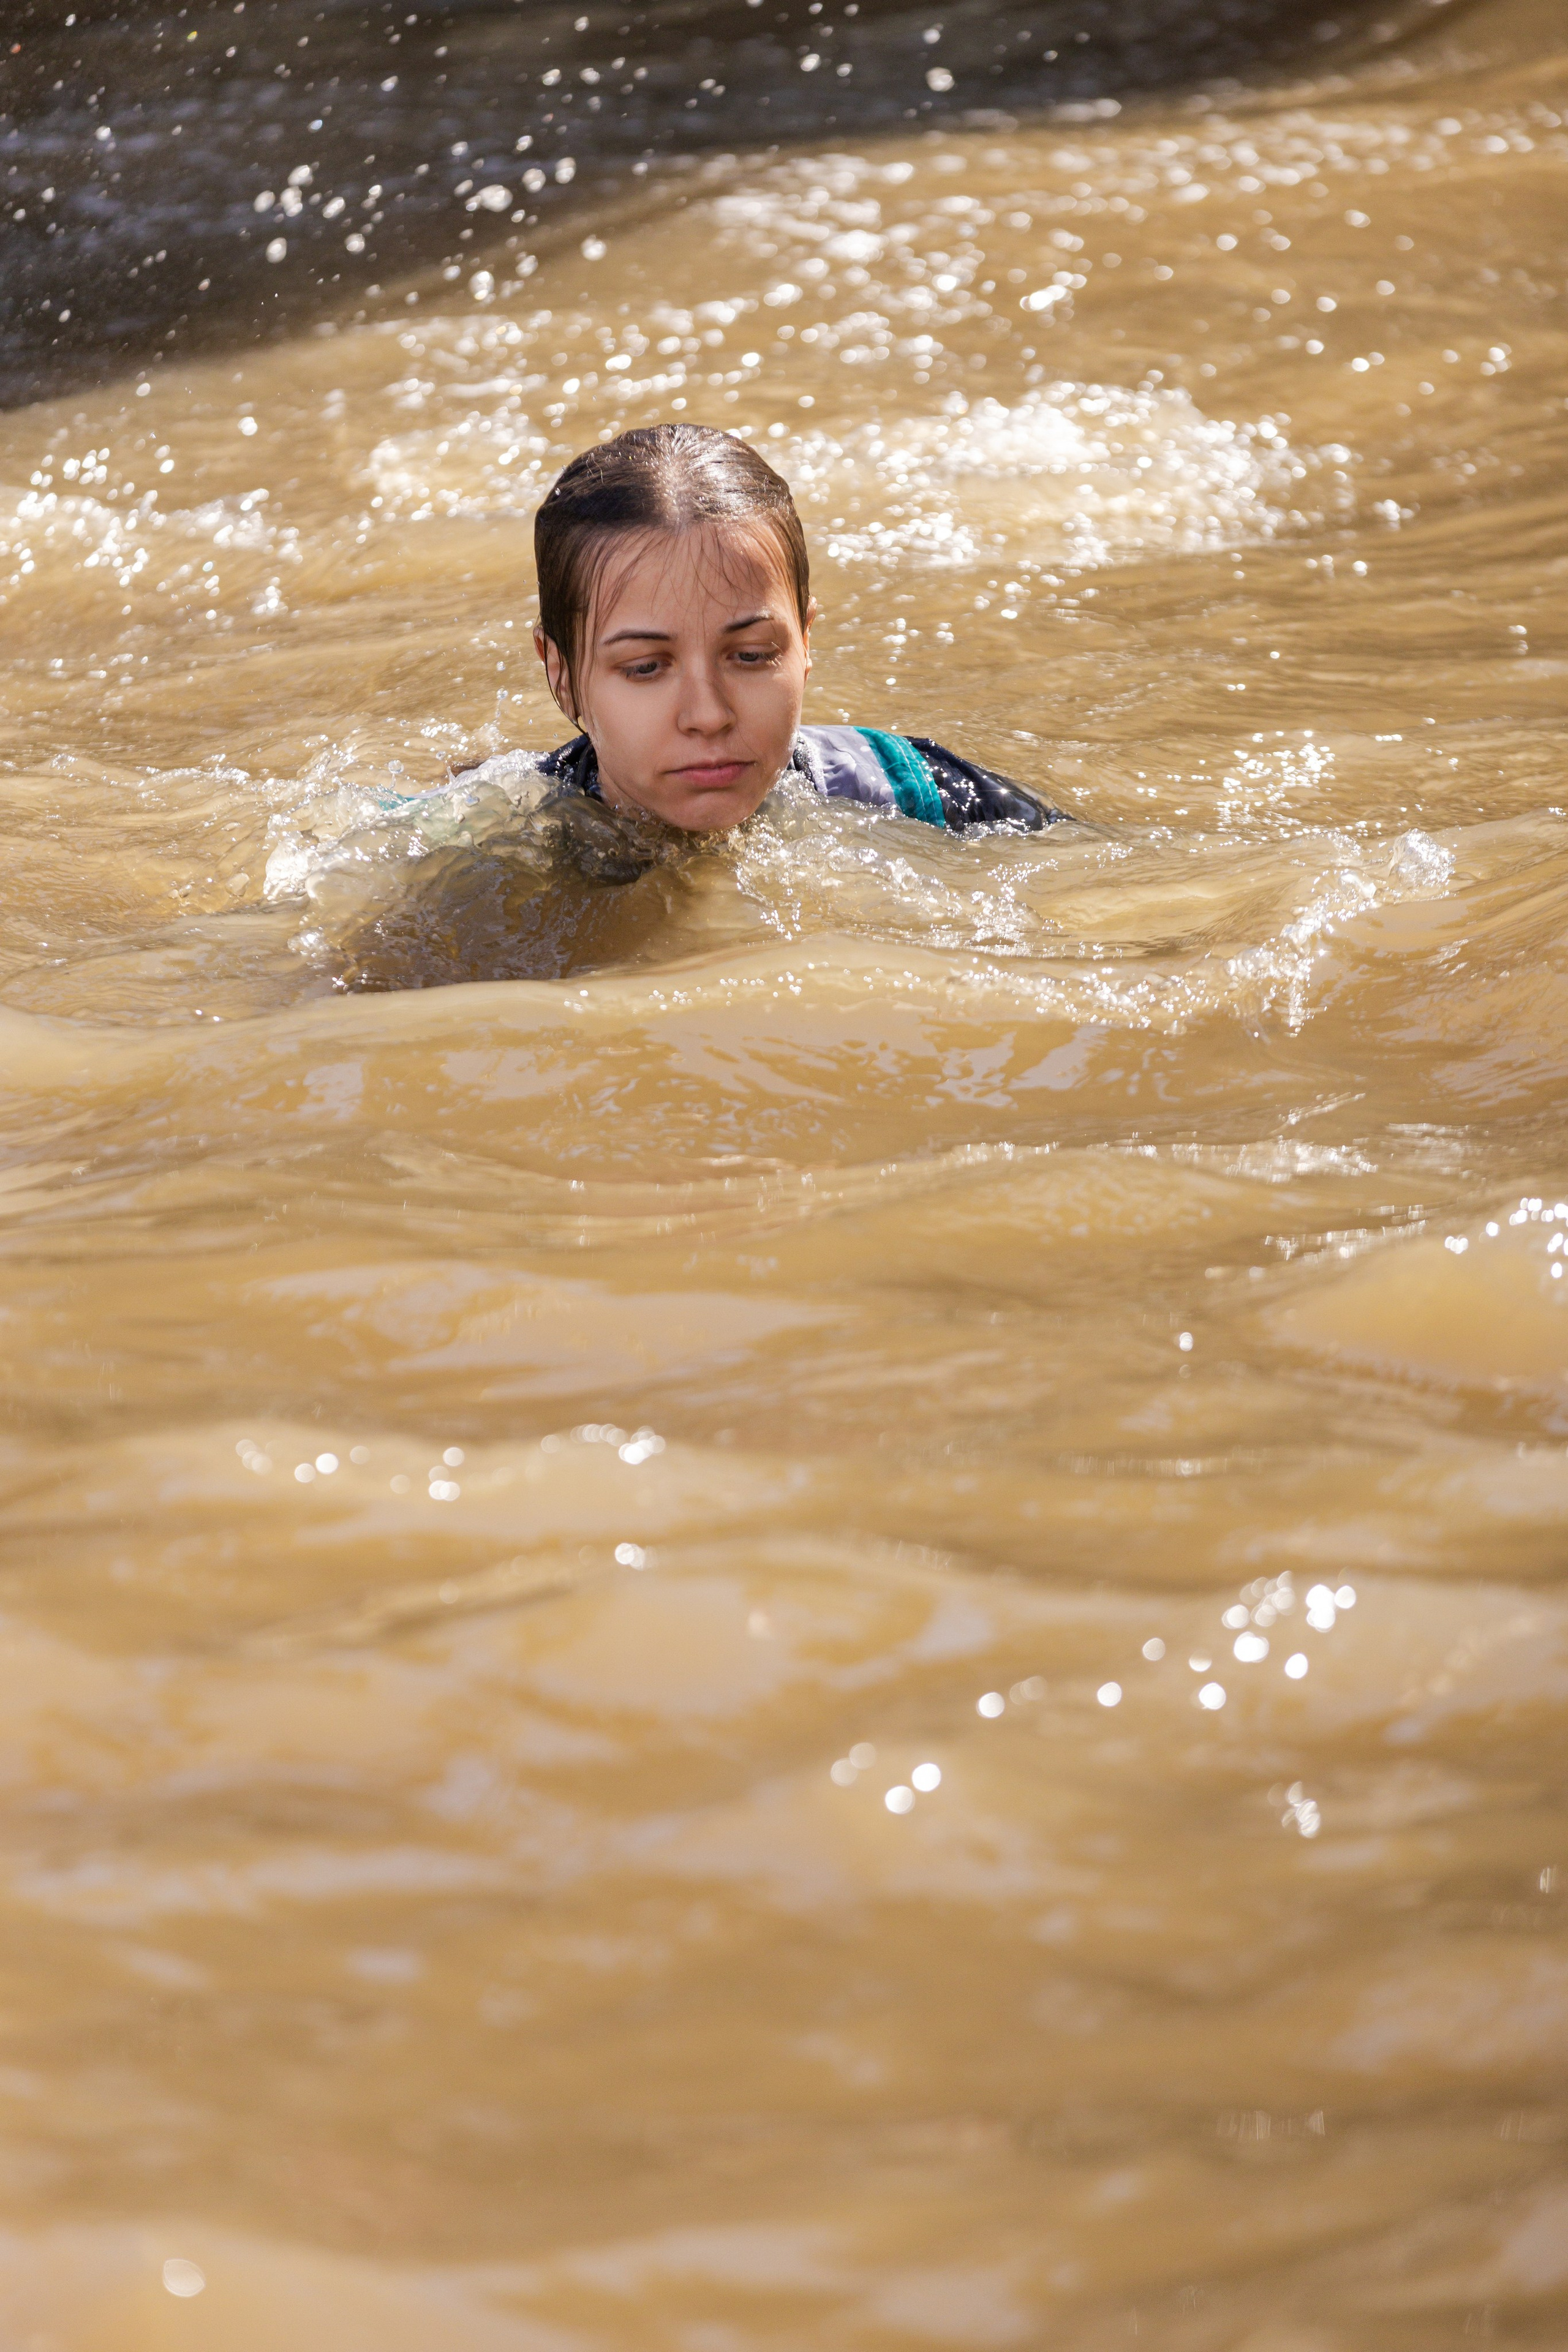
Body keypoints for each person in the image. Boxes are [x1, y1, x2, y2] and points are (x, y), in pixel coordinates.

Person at [525, 421, 1060, 836]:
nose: (709, 716)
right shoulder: (492, 838)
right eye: (645, 668)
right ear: (561, 670)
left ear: (804, 642)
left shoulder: (917, 793)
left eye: (752, 656)